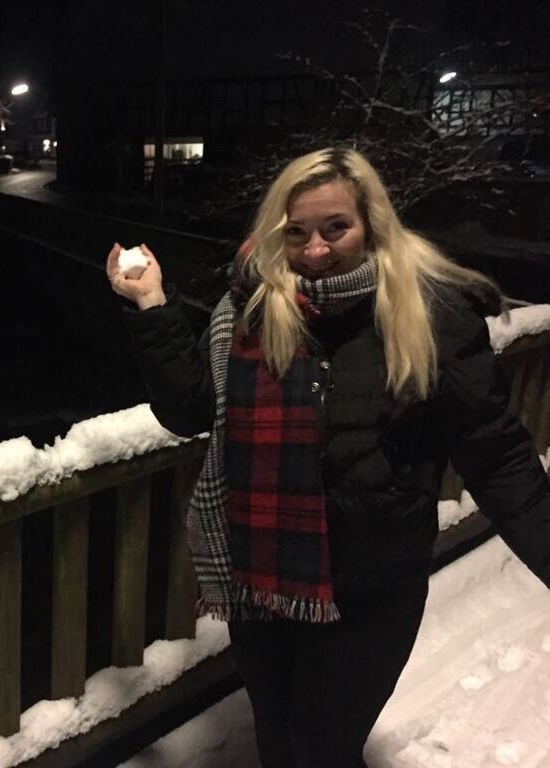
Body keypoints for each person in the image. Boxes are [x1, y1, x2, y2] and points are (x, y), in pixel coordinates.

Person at [107, 147, 550, 767]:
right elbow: (191, 410)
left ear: (371, 223)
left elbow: (497, 455)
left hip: (370, 589)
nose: (315, 249)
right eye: (297, 232)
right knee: (277, 736)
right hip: (264, 580)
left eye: (335, 227)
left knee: (322, 750)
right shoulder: (254, 307)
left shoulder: (426, 312)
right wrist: (152, 306)